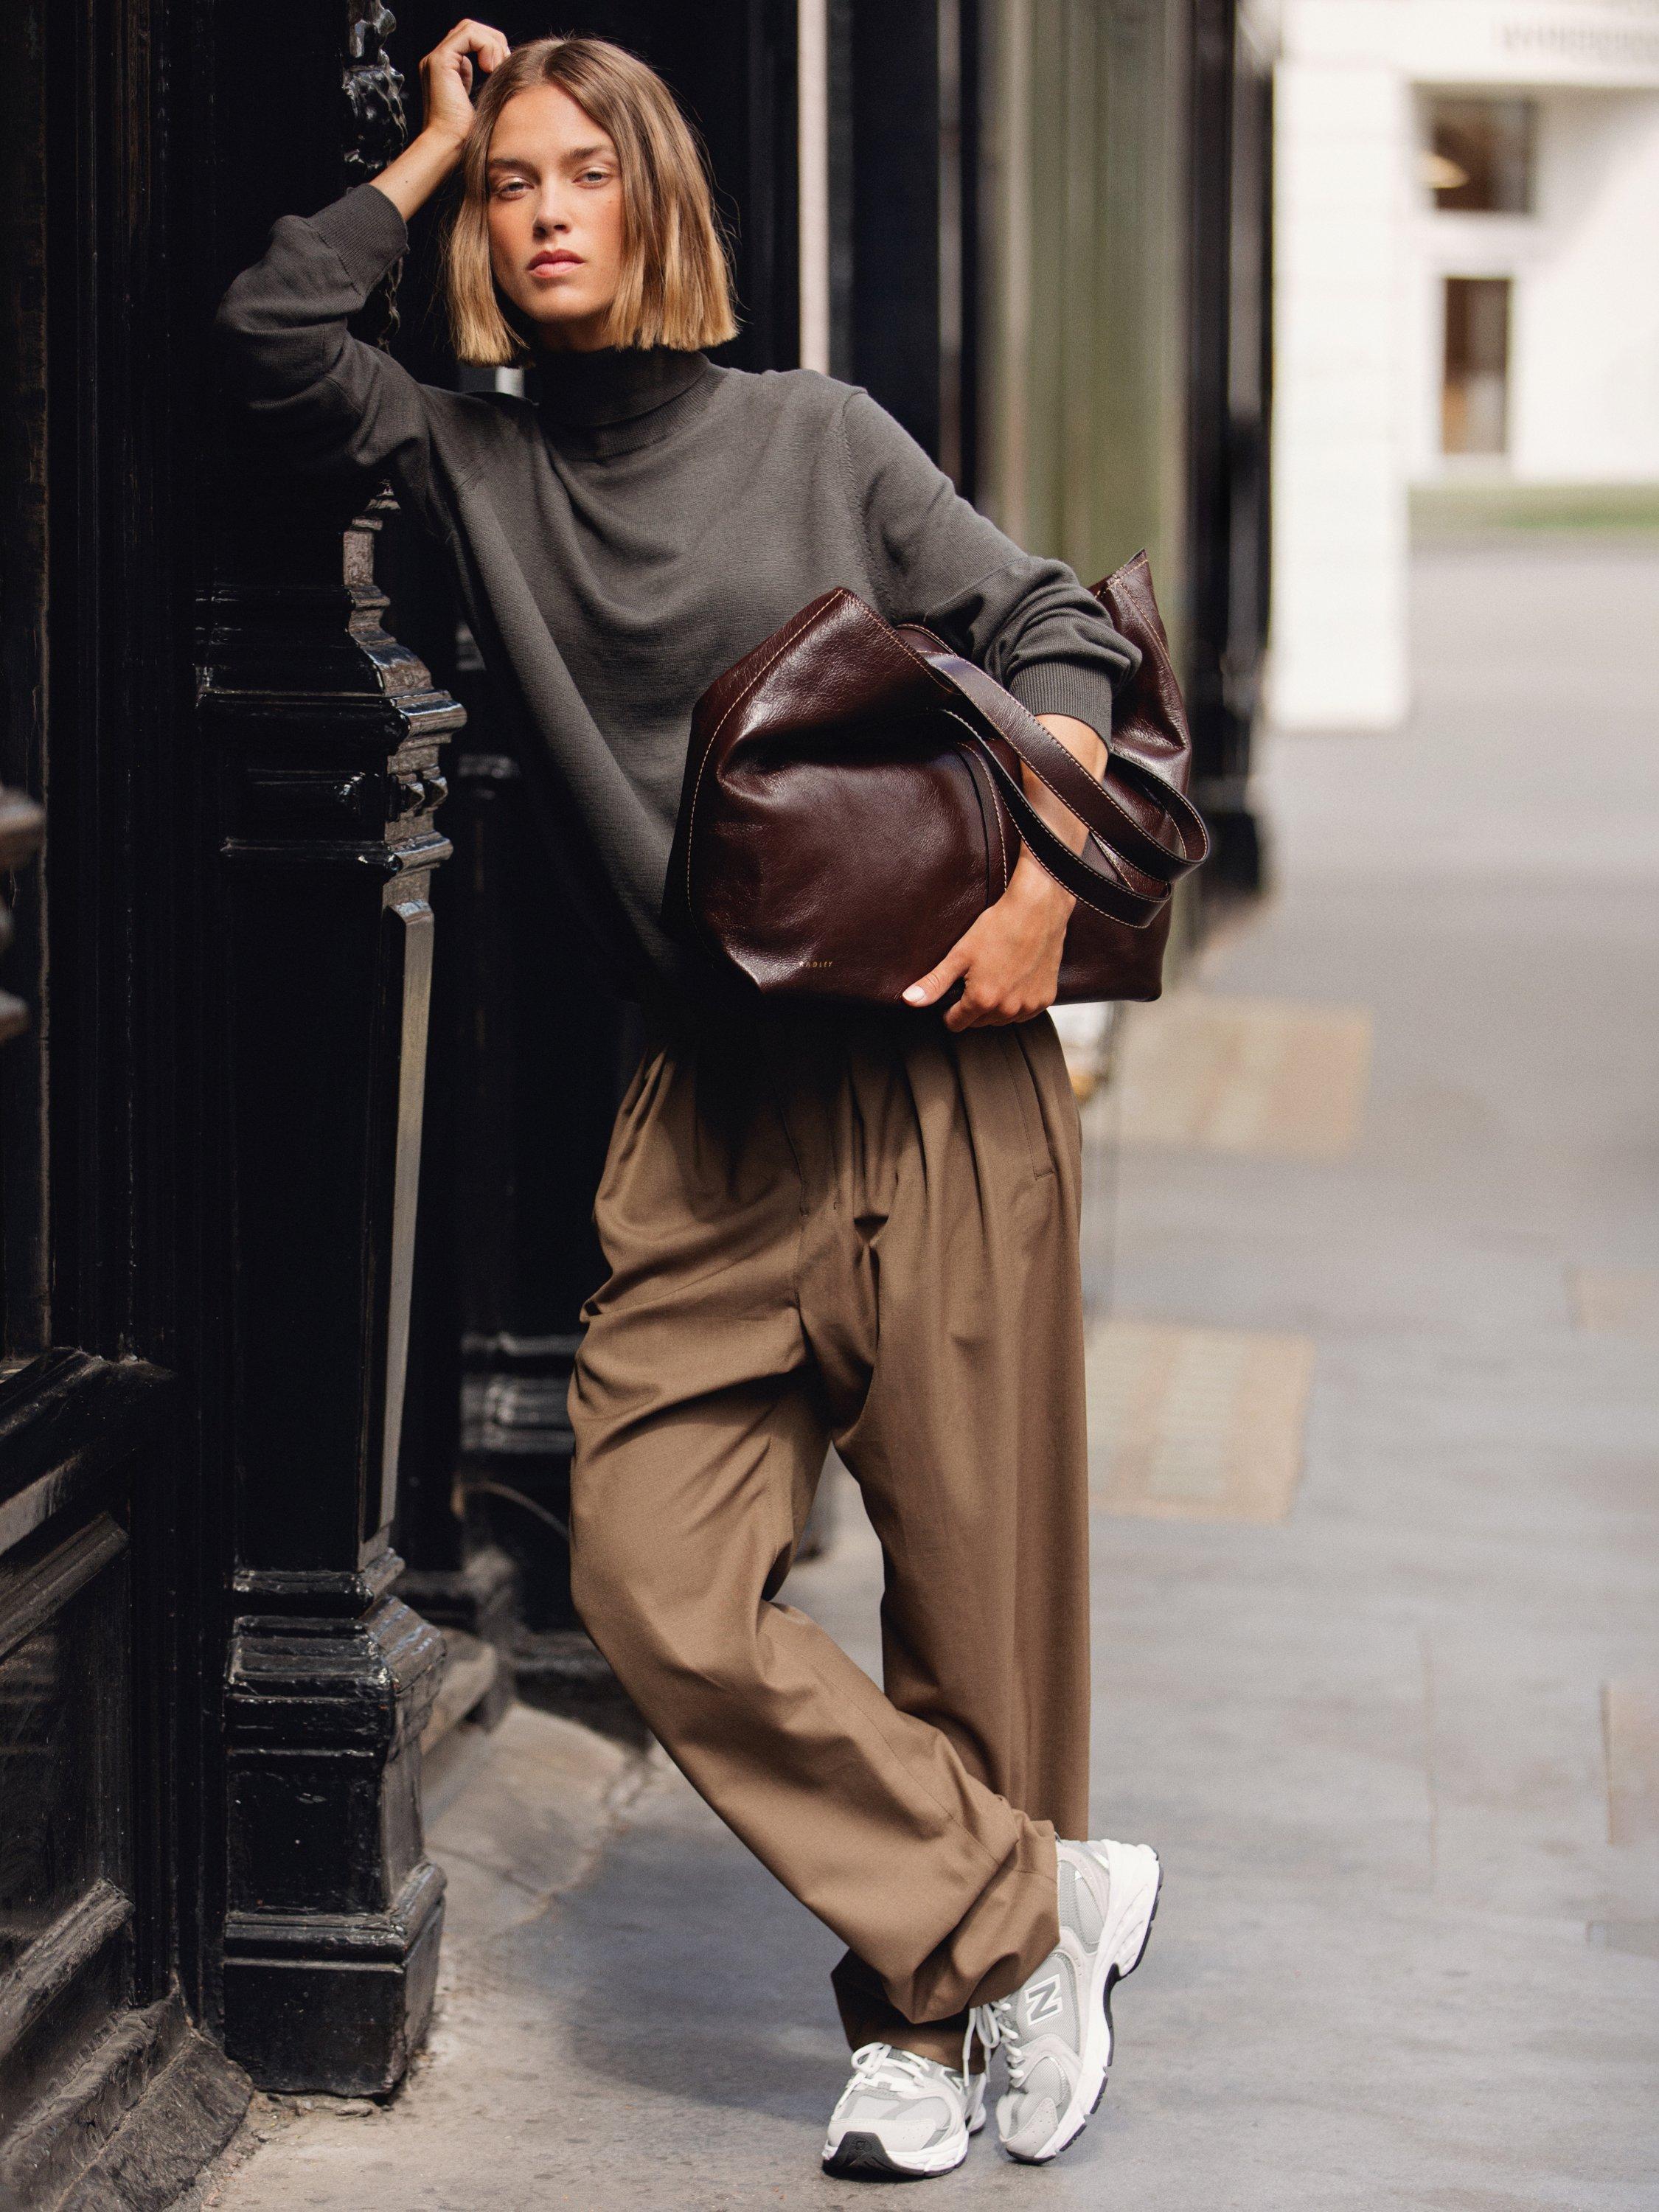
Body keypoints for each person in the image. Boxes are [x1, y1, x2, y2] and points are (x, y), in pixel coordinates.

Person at [215, 21, 1161, 2180]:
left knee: (969, 1594)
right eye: (508, 184)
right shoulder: (470, 465)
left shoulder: (811, 433)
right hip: (710, 1117)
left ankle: (925, 2034)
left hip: (937, 1074)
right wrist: (422, 139)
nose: (543, 211)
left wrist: (1035, 886)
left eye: (581, 173)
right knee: (653, 1583)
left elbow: (1048, 625)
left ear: (660, 206)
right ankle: (1034, 1914)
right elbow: (267, 344)